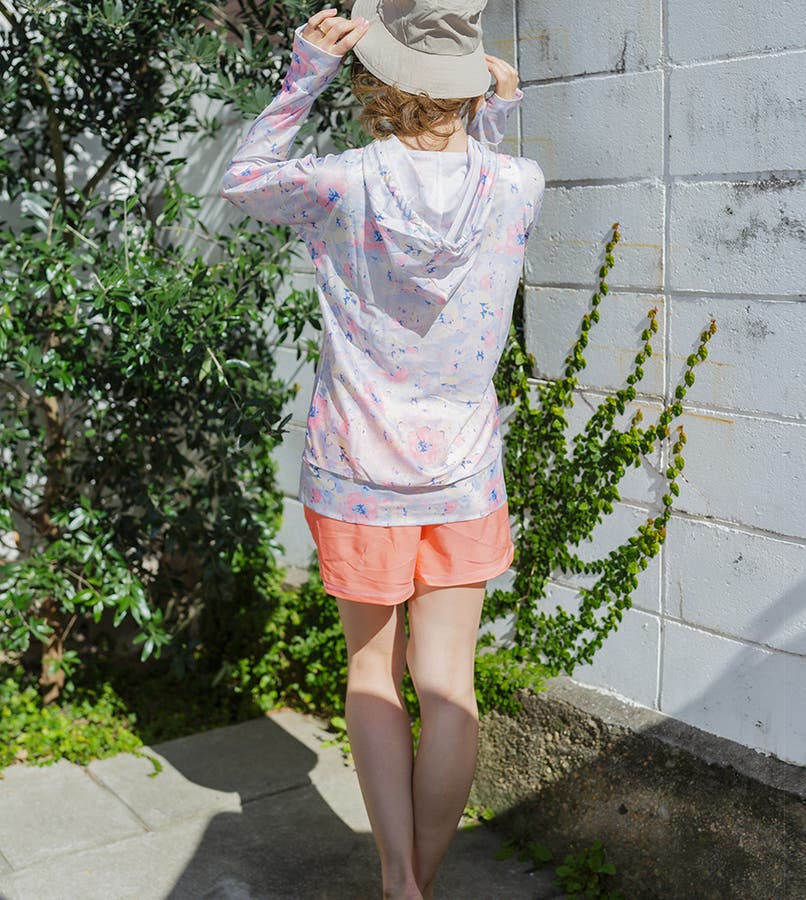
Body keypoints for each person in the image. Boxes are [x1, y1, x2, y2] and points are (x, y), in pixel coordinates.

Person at [220, 3, 544, 897]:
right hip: (464, 475)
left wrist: (304, 73)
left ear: (380, 74)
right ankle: (419, 889)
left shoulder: (342, 183)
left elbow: (244, 180)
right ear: (468, 80)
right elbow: (476, 188)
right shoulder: (520, 184)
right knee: (450, 687)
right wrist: (494, 111)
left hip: (357, 472)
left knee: (373, 673)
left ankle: (397, 882)